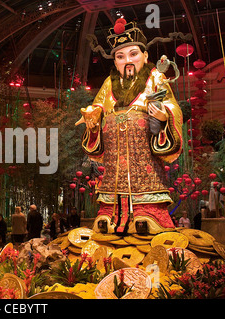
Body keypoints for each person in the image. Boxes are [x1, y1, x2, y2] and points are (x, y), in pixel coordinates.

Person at [78, 19, 183, 235]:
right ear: (115, 62)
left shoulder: (156, 78)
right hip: (115, 154)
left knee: (144, 191)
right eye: (120, 56)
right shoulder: (109, 83)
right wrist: (93, 116)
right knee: (111, 193)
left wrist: (164, 116)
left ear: (145, 56)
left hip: (142, 153)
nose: (127, 61)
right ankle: (111, 213)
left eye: (133, 54)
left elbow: (172, 105)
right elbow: (98, 105)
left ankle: (148, 213)